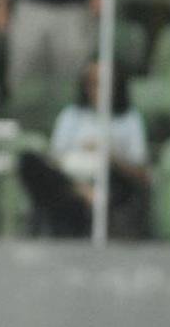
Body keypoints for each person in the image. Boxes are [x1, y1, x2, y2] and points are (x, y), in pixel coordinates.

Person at [19, 60, 150, 238]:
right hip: (71, 178)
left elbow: (141, 174)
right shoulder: (71, 115)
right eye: (92, 83)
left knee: (120, 183)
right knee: (28, 160)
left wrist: (109, 155)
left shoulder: (129, 119)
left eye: (102, 84)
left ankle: (89, 199)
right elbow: (55, 158)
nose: (96, 90)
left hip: (110, 179)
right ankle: (82, 193)